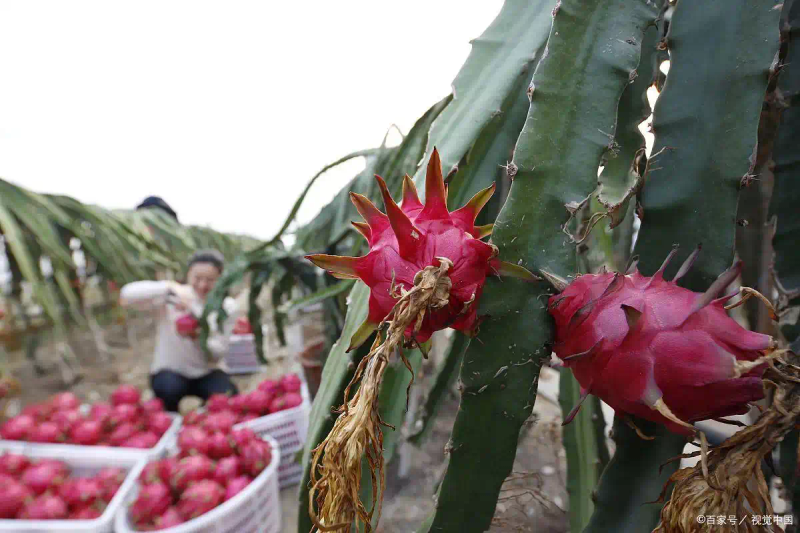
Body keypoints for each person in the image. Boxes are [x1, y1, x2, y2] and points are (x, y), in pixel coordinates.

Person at [119, 249, 238, 412]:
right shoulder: (172, 296)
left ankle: (204, 416)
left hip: (206, 372)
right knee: (168, 390)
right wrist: (169, 286)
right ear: (188, 274)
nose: (202, 285)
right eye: (197, 278)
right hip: (170, 371)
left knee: (229, 396)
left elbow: (219, 353)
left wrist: (197, 335)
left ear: (220, 279)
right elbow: (127, 294)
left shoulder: (227, 307)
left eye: (210, 280)